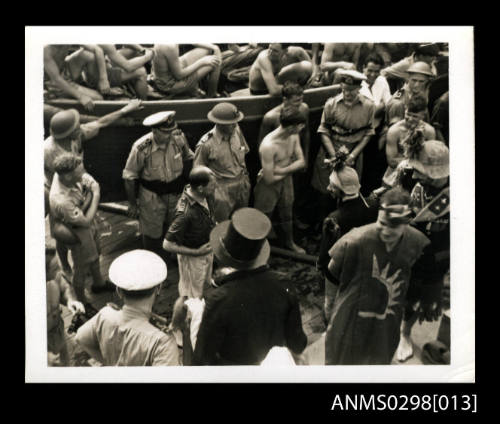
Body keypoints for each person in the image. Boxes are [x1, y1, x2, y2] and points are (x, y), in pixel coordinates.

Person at [324, 187, 441, 364]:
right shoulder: (355, 240)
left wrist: (427, 300)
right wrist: (329, 306)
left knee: (378, 357)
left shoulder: (418, 244)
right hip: (349, 314)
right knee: (341, 360)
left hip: (387, 316)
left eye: (394, 226)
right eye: (382, 223)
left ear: (407, 222)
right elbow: (331, 273)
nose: (386, 230)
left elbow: (425, 279)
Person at [192, 207, 308, 365]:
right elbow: (298, 343)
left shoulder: (219, 299)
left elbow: (202, 359)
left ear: (224, 257)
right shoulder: (284, 284)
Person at [44, 100, 142, 275]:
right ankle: (66, 266)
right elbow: (63, 180)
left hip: (77, 187)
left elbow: (101, 122)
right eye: (76, 126)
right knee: (62, 233)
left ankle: (87, 262)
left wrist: (125, 110)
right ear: (67, 134)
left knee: (84, 229)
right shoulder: (50, 151)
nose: (80, 127)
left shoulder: (76, 135)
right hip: (58, 192)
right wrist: (92, 194)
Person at [394, 140, 450, 362]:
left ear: (437, 174)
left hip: (437, 260)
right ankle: (402, 332)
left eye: (421, 171)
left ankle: (405, 333)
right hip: (409, 252)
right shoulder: (409, 176)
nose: (415, 176)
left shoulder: (461, 193)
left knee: (423, 300)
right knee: (404, 296)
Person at [75, 249, 181, 366]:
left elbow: (80, 337)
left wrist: (109, 364)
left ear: (119, 291)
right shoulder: (162, 343)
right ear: (158, 288)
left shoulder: (105, 314)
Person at [122, 111, 194, 262]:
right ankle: (152, 261)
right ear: (154, 131)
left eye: (171, 131)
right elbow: (129, 176)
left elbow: (188, 158)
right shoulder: (141, 148)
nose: (170, 135)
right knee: (151, 233)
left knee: (175, 227)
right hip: (152, 197)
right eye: (166, 132)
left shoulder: (178, 139)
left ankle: (173, 257)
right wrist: (133, 205)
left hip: (175, 194)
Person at [316, 148, 378, 320]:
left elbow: (325, 250)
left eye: (331, 185)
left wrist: (321, 267)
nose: (329, 188)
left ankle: (331, 325)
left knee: (331, 303)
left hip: (340, 266)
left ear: (338, 190)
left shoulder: (334, 219)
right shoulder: (373, 205)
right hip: (365, 262)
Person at [49, 153, 115, 307]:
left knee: (95, 255)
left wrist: (89, 192)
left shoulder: (68, 175)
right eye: (80, 172)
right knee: (81, 266)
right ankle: (82, 301)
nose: (84, 173)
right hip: (77, 231)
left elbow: (87, 179)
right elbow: (84, 222)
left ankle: (98, 284)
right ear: (67, 177)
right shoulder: (62, 199)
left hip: (85, 220)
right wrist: (96, 195)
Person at [311, 69, 375, 222]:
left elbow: (368, 133)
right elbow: (323, 130)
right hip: (330, 150)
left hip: (353, 152)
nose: (348, 94)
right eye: (345, 90)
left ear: (359, 89)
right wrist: (333, 155)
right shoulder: (331, 104)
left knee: (349, 190)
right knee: (324, 191)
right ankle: (321, 224)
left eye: (352, 91)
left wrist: (353, 156)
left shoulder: (368, 106)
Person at [254, 106, 307, 253]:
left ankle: (289, 243)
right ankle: (258, 250)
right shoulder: (268, 146)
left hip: (285, 179)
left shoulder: (293, 136)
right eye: (300, 125)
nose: (302, 127)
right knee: (263, 215)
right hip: (268, 186)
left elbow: (301, 162)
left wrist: (282, 170)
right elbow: (269, 179)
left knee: (287, 212)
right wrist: (290, 168)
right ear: (291, 127)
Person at [258, 81, 311, 228]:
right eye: (295, 102)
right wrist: (271, 168)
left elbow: (306, 134)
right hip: (274, 162)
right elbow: (261, 145)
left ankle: (293, 219)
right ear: (285, 100)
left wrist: (305, 158)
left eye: (301, 100)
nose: (299, 105)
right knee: (269, 200)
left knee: (291, 197)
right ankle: (271, 226)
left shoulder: (304, 109)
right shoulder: (271, 117)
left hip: (295, 157)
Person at [163, 166, 217, 299]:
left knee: (205, 285)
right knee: (192, 294)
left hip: (207, 250)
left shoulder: (203, 195)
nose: (215, 188)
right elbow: (167, 244)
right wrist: (197, 252)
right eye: (212, 186)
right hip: (194, 258)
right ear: (200, 188)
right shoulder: (185, 214)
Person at [193, 103, 251, 222]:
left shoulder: (237, 131)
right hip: (220, 190)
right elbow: (198, 174)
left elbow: (244, 152)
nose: (235, 125)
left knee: (241, 221)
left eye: (236, 121)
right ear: (219, 123)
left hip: (242, 184)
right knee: (220, 225)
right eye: (231, 123)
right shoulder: (206, 144)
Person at [382, 95, 436, 188]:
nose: (410, 119)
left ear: (423, 115)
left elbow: (431, 158)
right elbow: (391, 161)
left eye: (415, 116)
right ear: (405, 110)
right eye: (408, 114)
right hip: (395, 176)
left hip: (421, 176)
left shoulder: (429, 131)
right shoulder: (394, 130)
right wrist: (417, 162)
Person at [64, 44, 154, 99]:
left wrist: (141, 49)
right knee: (141, 71)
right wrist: (148, 56)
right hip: (98, 78)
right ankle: (143, 103)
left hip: (96, 67)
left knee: (131, 51)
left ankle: (136, 87)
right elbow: (128, 67)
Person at [46, 249, 85, 366]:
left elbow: (64, 288)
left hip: (58, 332)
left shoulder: (54, 276)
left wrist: (70, 301)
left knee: (66, 364)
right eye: (54, 269)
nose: (59, 271)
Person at [44, 44, 107, 110]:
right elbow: (56, 79)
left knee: (88, 55)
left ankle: (101, 88)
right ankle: (62, 95)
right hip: (54, 83)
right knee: (99, 98)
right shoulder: (46, 49)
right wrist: (81, 96)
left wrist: (103, 79)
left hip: (65, 69)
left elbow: (97, 49)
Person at [150, 44, 222, 98]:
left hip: (174, 68)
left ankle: (194, 88)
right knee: (216, 62)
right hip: (170, 84)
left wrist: (214, 47)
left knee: (207, 49)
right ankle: (211, 96)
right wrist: (202, 62)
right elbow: (179, 76)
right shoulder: (170, 46)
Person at [384, 61, 434, 131]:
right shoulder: (398, 101)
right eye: (414, 80)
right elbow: (396, 131)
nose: (417, 85)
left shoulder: (420, 96)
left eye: (421, 81)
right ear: (407, 78)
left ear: (427, 81)